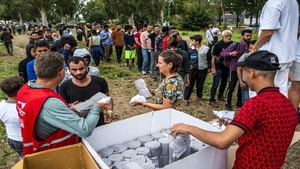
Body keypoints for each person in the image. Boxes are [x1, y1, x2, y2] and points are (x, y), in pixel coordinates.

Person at [171, 50, 298, 169]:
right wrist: (236, 128)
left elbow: (222, 141)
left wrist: (188, 128)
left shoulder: (256, 103)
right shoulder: (287, 103)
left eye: (243, 72)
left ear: (252, 73)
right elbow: (268, 134)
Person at [16, 52, 108, 156]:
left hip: (37, 149)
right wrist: (96, 107)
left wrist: (67, 108)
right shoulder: (49, 101)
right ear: (61, 72)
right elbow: (84, 129)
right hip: (56, 154)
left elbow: (39, 113)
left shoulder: (25, 89)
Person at [250, 0, 299, 97]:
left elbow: (268, 32)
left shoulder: (274, 3)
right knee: (280, 91)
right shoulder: (293, 2)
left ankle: (262, 112)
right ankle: (279, 111)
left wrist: (254, 49)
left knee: (261, 93)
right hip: (286, 54)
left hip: (269, 56)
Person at [59, 57, 114, 125]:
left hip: (99, 122)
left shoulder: (100, 81)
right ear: (69, 70)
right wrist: (71, 106)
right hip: (78, 125)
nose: (78, 72)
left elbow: (108, 98)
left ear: (86, 67)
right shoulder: (64, 86)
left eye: (81, 68)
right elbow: (62, 108)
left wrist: (109, 111)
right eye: (74, 70)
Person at [220, 29, 252, 110]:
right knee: (231, 87)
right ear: (242, 36)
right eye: (247, 36)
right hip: (233, 69)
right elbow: (222, 53)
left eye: (250, 36)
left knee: (242, 86)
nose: (249, 37)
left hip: (244, 70)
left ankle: (239, 102)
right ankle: (228, 104)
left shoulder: (250, 46)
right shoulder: (236, 45)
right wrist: (231, 53)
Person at [0, 76, 24, 158]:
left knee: (22, 155)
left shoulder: (1, 104)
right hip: (23, 140)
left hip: (11, 138)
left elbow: (1, 120)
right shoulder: (23, 107)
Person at [184, 35, 210, 105]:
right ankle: (186, 98)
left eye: (192, 40)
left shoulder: (206, 49)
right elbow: (186, 59)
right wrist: (189, 65)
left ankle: (199, 96)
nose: (191, 42)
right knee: (189, 84)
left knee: (200, 84)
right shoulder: (190, 49)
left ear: (197, 42)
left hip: (202, 70)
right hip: (192, 70)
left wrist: (209, 68)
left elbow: (209, 59)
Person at [208, 30, 233, 108]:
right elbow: (213, 57)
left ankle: (220, 95)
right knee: (216, 84)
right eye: (226, 36)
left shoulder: (232, 44)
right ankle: (212, 100)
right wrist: (213, 68)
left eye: (229, 36)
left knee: (224, 83)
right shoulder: (218, 44)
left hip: (227, 67)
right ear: (222, 36)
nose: (228, 37)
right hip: (218, 67)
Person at [236, 40, 256, 105]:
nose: (252, 50)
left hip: (256, 83)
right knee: (245, 99)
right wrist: (241, 82)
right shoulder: (245, 55)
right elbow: (239, 68)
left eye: (254, 48)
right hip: (246, 82)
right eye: (250, 48)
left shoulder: (262, 57)